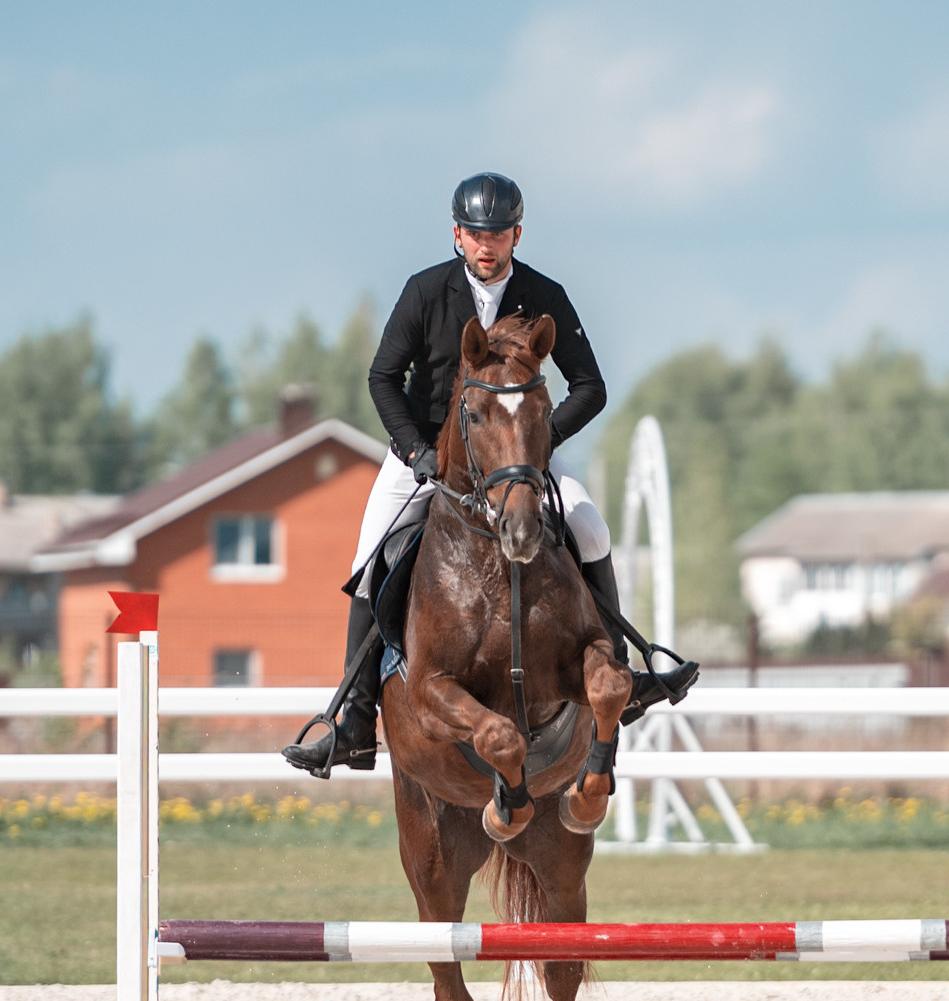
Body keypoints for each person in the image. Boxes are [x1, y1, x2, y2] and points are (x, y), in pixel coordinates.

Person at [283, 172, 697, 777]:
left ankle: (624, 674)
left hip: (518, 463)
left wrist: (538, 443)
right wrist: (415, 450)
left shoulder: (543, 294)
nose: (487, 245)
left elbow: (591, 387)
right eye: (476, 234)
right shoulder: (425, 292)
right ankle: (353, 723)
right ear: (458, 233)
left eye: (498, 234)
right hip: (427, 458)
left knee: (592, 528)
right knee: (369, 558)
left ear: (516, 235)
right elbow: (383, 378)